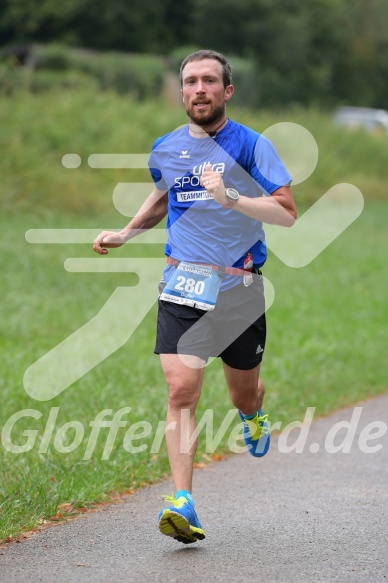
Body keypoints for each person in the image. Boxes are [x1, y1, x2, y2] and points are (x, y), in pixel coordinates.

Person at [93, 49, 297, 544]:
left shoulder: (251, 146)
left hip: (241, 286)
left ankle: (252, 413)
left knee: (241, 391)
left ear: (227, 91)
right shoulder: (165, 148)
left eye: (209, 81)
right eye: (191, 81)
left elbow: (286, 212)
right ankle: (182, 500)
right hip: (183, 281)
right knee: (181, 391)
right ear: (181, 91)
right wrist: (127, 232)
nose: (199, 89)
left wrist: (232, 198)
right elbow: (164, 196)